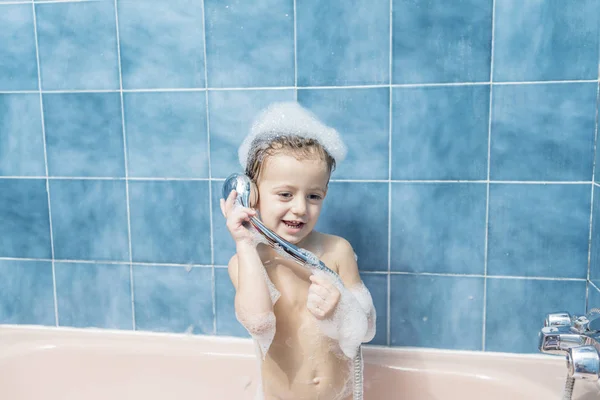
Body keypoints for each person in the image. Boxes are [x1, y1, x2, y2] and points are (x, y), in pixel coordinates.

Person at [220, 102, 376, 400]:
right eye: (285, 194)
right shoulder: (246, 262)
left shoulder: (337, 251)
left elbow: (365, 328)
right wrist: (244, 242)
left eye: (313, 195)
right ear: (252, 196)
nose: (301, 208)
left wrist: (343, 309)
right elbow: (258, 320)